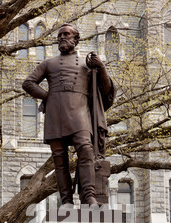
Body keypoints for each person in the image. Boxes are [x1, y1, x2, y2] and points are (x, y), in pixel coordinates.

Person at [22, 23, 115, 206]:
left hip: (80, 113)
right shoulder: (49, 63)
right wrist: (48, 97)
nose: (62, 37)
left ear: (76, 39)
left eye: (66, 34)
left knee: (86, 150)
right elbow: (28, 83)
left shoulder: (87, 65)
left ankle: (89, 195)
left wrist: (101, 67)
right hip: (55, 115)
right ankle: (66, 201)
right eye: (60, 35)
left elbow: (106, 90)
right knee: (60, 159)